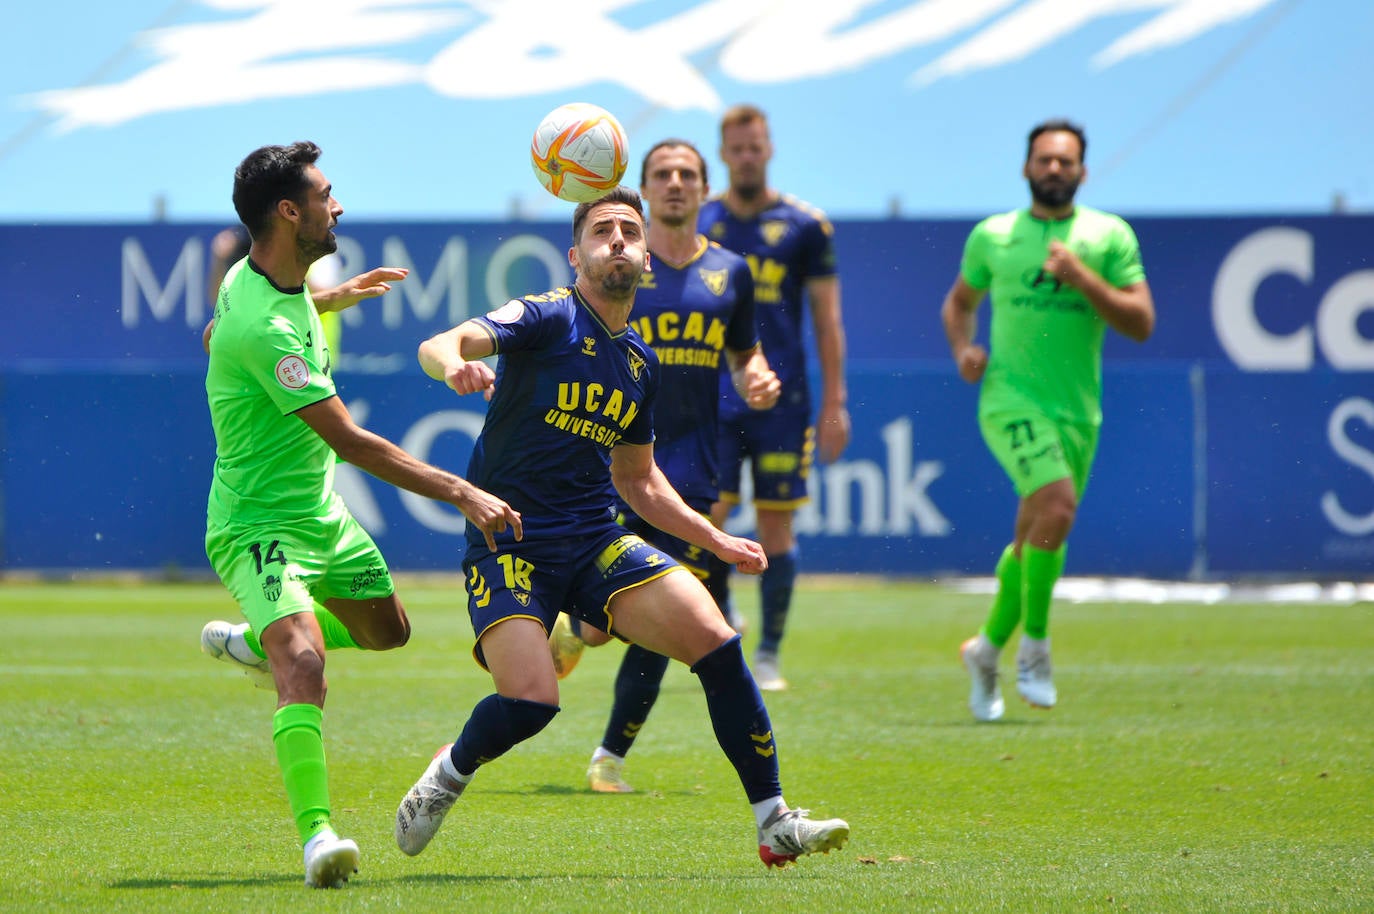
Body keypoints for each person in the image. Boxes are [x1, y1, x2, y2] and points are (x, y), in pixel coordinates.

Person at [394, 186, 849, 868]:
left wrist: (714, 538)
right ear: (576, 256)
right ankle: (447, 776)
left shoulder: (640, 363)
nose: (618, 240)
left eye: (629, 233)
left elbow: (638, 480)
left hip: (592, 538)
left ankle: (774, 820)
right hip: (508, 540)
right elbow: (444, 339)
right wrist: (455, 362)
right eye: (602, 231)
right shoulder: (547, 315)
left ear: (644, 260)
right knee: (531, 702)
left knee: (717, 643)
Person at [197, 140, 522, 888]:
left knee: (389, 632)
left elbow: (221, 333)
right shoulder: (267, 329)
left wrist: (329, 299)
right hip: (255, 526)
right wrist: (463, 492)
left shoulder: (259, 285)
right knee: (305, 660)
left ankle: (255, 642)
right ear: (289, 211)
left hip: (320, 516)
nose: (336, 205)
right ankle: (318, 839)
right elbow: (351, 440)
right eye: (325, 193)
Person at [554, 139, 780, 794]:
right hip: (617, 460)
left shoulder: (732, 273)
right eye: (662, 175)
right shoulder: (619, 266)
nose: (676, 183)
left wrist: (760, 377)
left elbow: (747, 356)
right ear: (644, 191)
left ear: (706, 190)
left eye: (688, 174)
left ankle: (609, 757)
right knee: (609, 626)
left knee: (672, 612)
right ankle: (577, 629)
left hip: (698, 466)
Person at [941, 119, 1155, 721]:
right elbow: (959, 303)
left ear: (1083, 172)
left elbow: (1141, 323)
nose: (1054, 169)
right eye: (1044, 160)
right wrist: (964, 349)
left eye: (1065, 161)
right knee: (1057, 508)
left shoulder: (1108, 236)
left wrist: (1083, 277)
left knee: (1034, 534)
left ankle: (984, 650)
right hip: (1010, 399)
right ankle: (1034, 645)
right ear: (1026, 168)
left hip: (1078, 411)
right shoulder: (995, 235)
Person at [697, 104, 850, 691]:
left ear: (769, 148)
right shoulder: (704, 222)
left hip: (783, 401)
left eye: (754, 146)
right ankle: (726, 632)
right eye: (736, 148)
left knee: (776, 527)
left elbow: (828, 321)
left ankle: (769, 654)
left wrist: (835, 400)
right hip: (714, 397)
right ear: (723, 153)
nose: (746, 156)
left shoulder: (806, 226)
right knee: (708, 518)